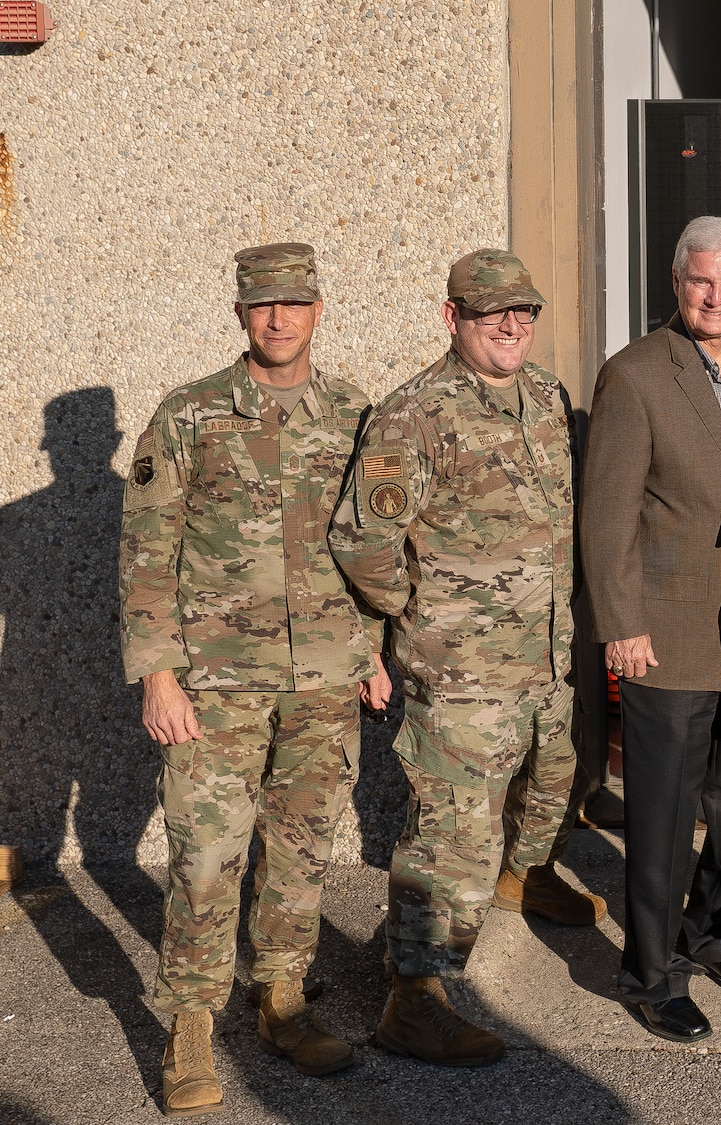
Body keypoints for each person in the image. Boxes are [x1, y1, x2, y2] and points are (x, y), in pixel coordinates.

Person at [121, 244, 389, 1115]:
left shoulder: (354, 414)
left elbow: (375, 544)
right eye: (262, 303)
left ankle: (279, 994)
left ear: (319, 308)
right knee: (205, 855)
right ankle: (191, 1020)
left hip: (322, 680)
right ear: (240, 312)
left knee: (302, 848)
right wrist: (157, 673)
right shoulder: (190, 415)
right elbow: (147, 551)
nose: (279, 317)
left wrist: (373, 646)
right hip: (215, 685)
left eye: (294, 301)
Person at [329, 249, 579, 1066]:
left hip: (542, 661)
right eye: (489, 312)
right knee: (448, 837)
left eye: (524, 311)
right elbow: (363, 540)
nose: (512, 325)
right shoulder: (415, 414)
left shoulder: (545, 398)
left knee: (542, 798)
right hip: (464, 673)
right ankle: (414, 996)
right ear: (452, 318)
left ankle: (483, 908)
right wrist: (424, 615)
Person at [581, 216, 721, 1044]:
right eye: (703, 280)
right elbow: (606, 515)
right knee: (663, 813)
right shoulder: (633, 376)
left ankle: (710, 930)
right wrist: (620, 626)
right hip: (665, 631)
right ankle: (650, 970)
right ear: (676, 282)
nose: (717, 295)